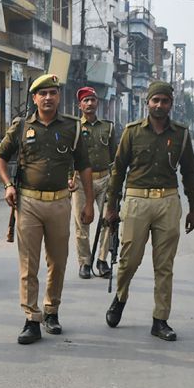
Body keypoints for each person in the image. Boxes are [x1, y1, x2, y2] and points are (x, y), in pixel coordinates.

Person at [0, 74, 94, 345]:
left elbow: (84, 166)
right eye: (42, 93)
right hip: (28, 204)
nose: (48, 97)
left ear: (58, 97)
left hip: (60, 202)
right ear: (35, 98)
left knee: (57, 262)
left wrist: (89, 202)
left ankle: (52, 311)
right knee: (29, 264)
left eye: (53, 92)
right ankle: (31, 317)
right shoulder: (21, 126)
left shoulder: (73, 127)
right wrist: (6, 185)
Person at [104, 81, 194, 341]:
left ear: (170, 104)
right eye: (155, 100)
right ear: (147, 103)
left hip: (168, 201)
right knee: (129, 260)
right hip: (136, 200)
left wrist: (193, 208)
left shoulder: (181, 134)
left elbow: (189, 173)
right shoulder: (132, 132)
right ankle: (120, 298)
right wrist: (111, 206)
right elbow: (118, 170)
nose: (159, 105)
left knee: (164, 265)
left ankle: (160, 319)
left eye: (164, 101)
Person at [70, 87, 116, 279]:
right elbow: (68, 155)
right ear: (80, 105)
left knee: (108, 220)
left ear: (98, 103)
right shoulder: (74, 128)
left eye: (93, 100)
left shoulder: (108, 127)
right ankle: (85, 262)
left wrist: (116, 180)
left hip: (105, 179)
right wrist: (68, 177)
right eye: (86, 100)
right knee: (82, 222)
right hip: (80, 180)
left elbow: (115, 156)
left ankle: (102, 260)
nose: (90, 104)